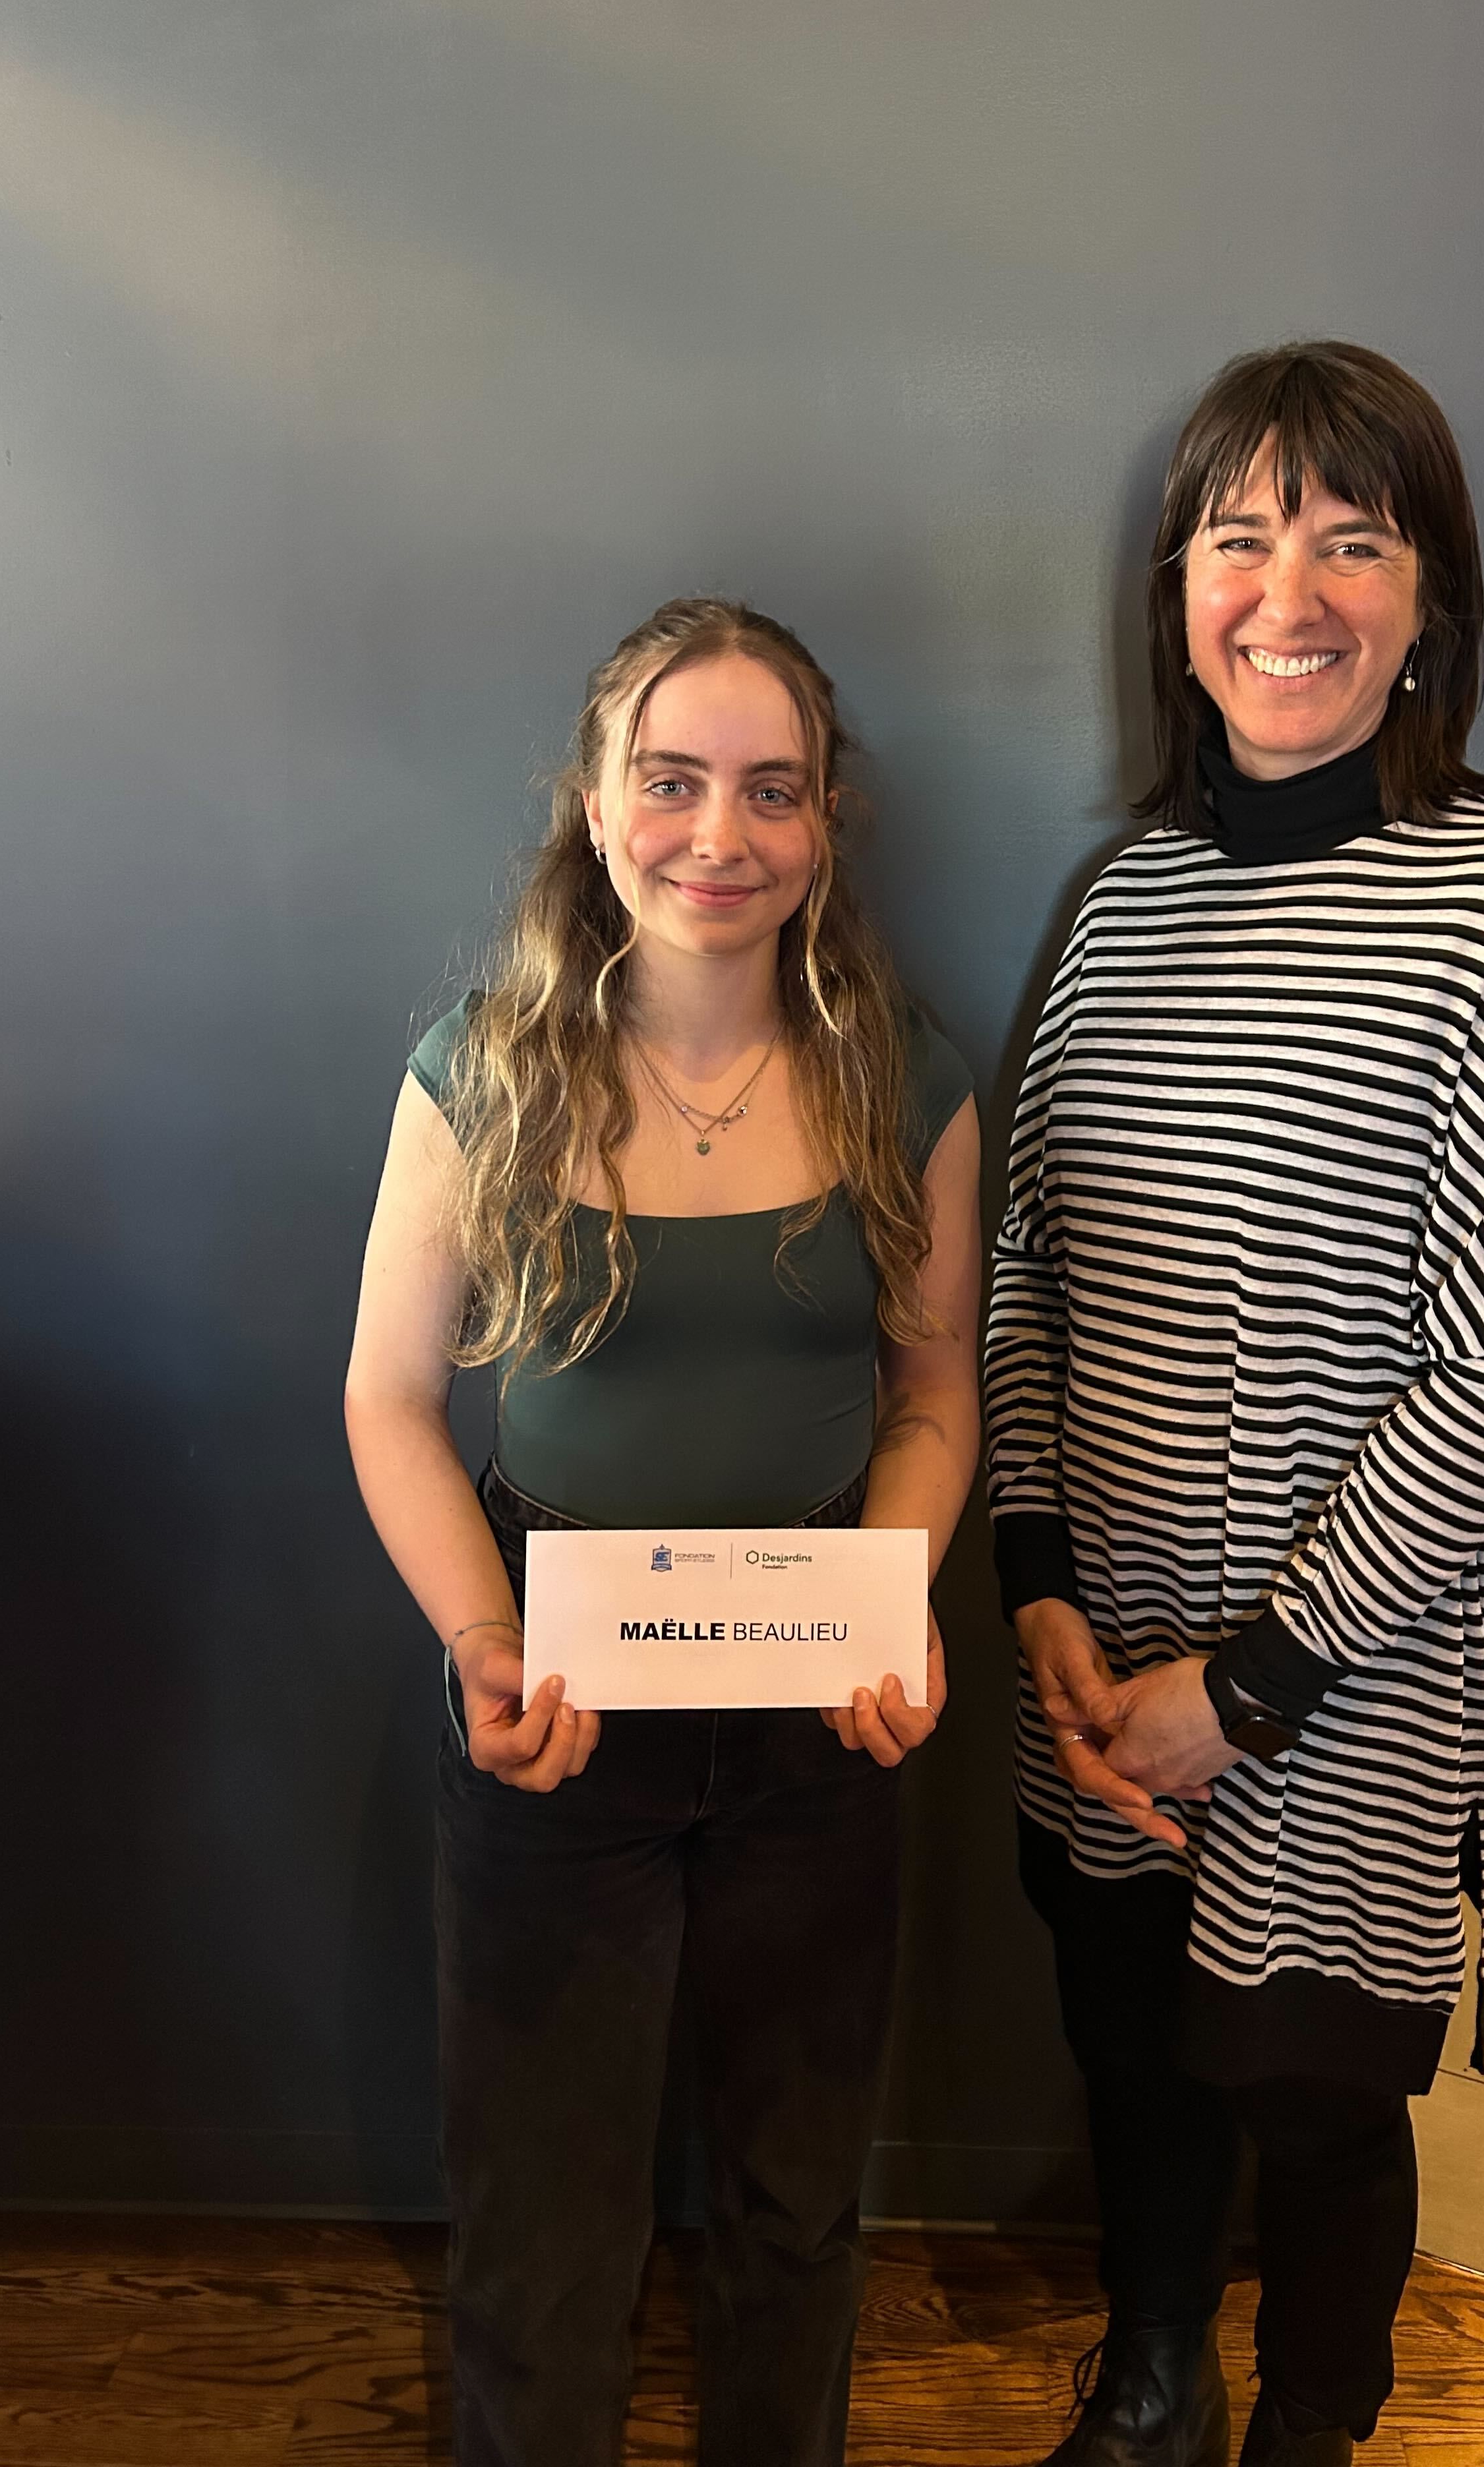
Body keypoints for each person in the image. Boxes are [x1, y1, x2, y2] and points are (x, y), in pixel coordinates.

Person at [986, 344, 1484, 2467]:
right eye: (1244, 537)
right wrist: (1045, 1590)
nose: (1293, 590)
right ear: (1179, 590)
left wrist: (1248, 1686)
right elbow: (1026, 1274)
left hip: (1348, 1691)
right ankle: (1152, 2384)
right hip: (1104, 1671)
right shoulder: (1117, 904)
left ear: (1430, 598)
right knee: (1138, 2051)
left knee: (1318, 2101)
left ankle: (1306, 2432)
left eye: (1355, 539)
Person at [344, 598, 981, 2467]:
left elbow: (936, 1386)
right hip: (555, 1684)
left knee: (795, 2207)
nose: (723, 835)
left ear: (826, 819)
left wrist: (896, 1606)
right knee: (546, 2226)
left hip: (822, 1689)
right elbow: (387, 1398)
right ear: (598, 803)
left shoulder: (907, 1076)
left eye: (771, 790)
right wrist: (481, 1641)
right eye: (676, 781)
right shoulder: (484, 1067)